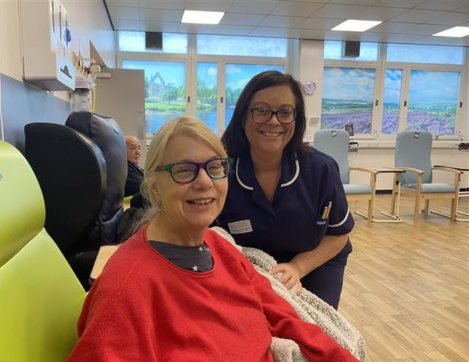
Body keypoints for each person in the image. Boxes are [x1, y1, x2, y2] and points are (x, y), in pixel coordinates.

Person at [67, 116, 357, 361]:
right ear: (154, 187)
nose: (205, 182)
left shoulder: (218, 247)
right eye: (183, 170)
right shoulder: (127, 289)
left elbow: (282, 315)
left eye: (215, 167)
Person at [217, 70, 354, 309]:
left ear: (295, 118)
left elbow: (339, 234)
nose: (273, 121)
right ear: (242, 117)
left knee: (315, 330)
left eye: (285, 112)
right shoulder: (222, 172)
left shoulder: (321, 169)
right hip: (250, 267)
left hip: (315, 263)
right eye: (261, 110)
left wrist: (298, 267)